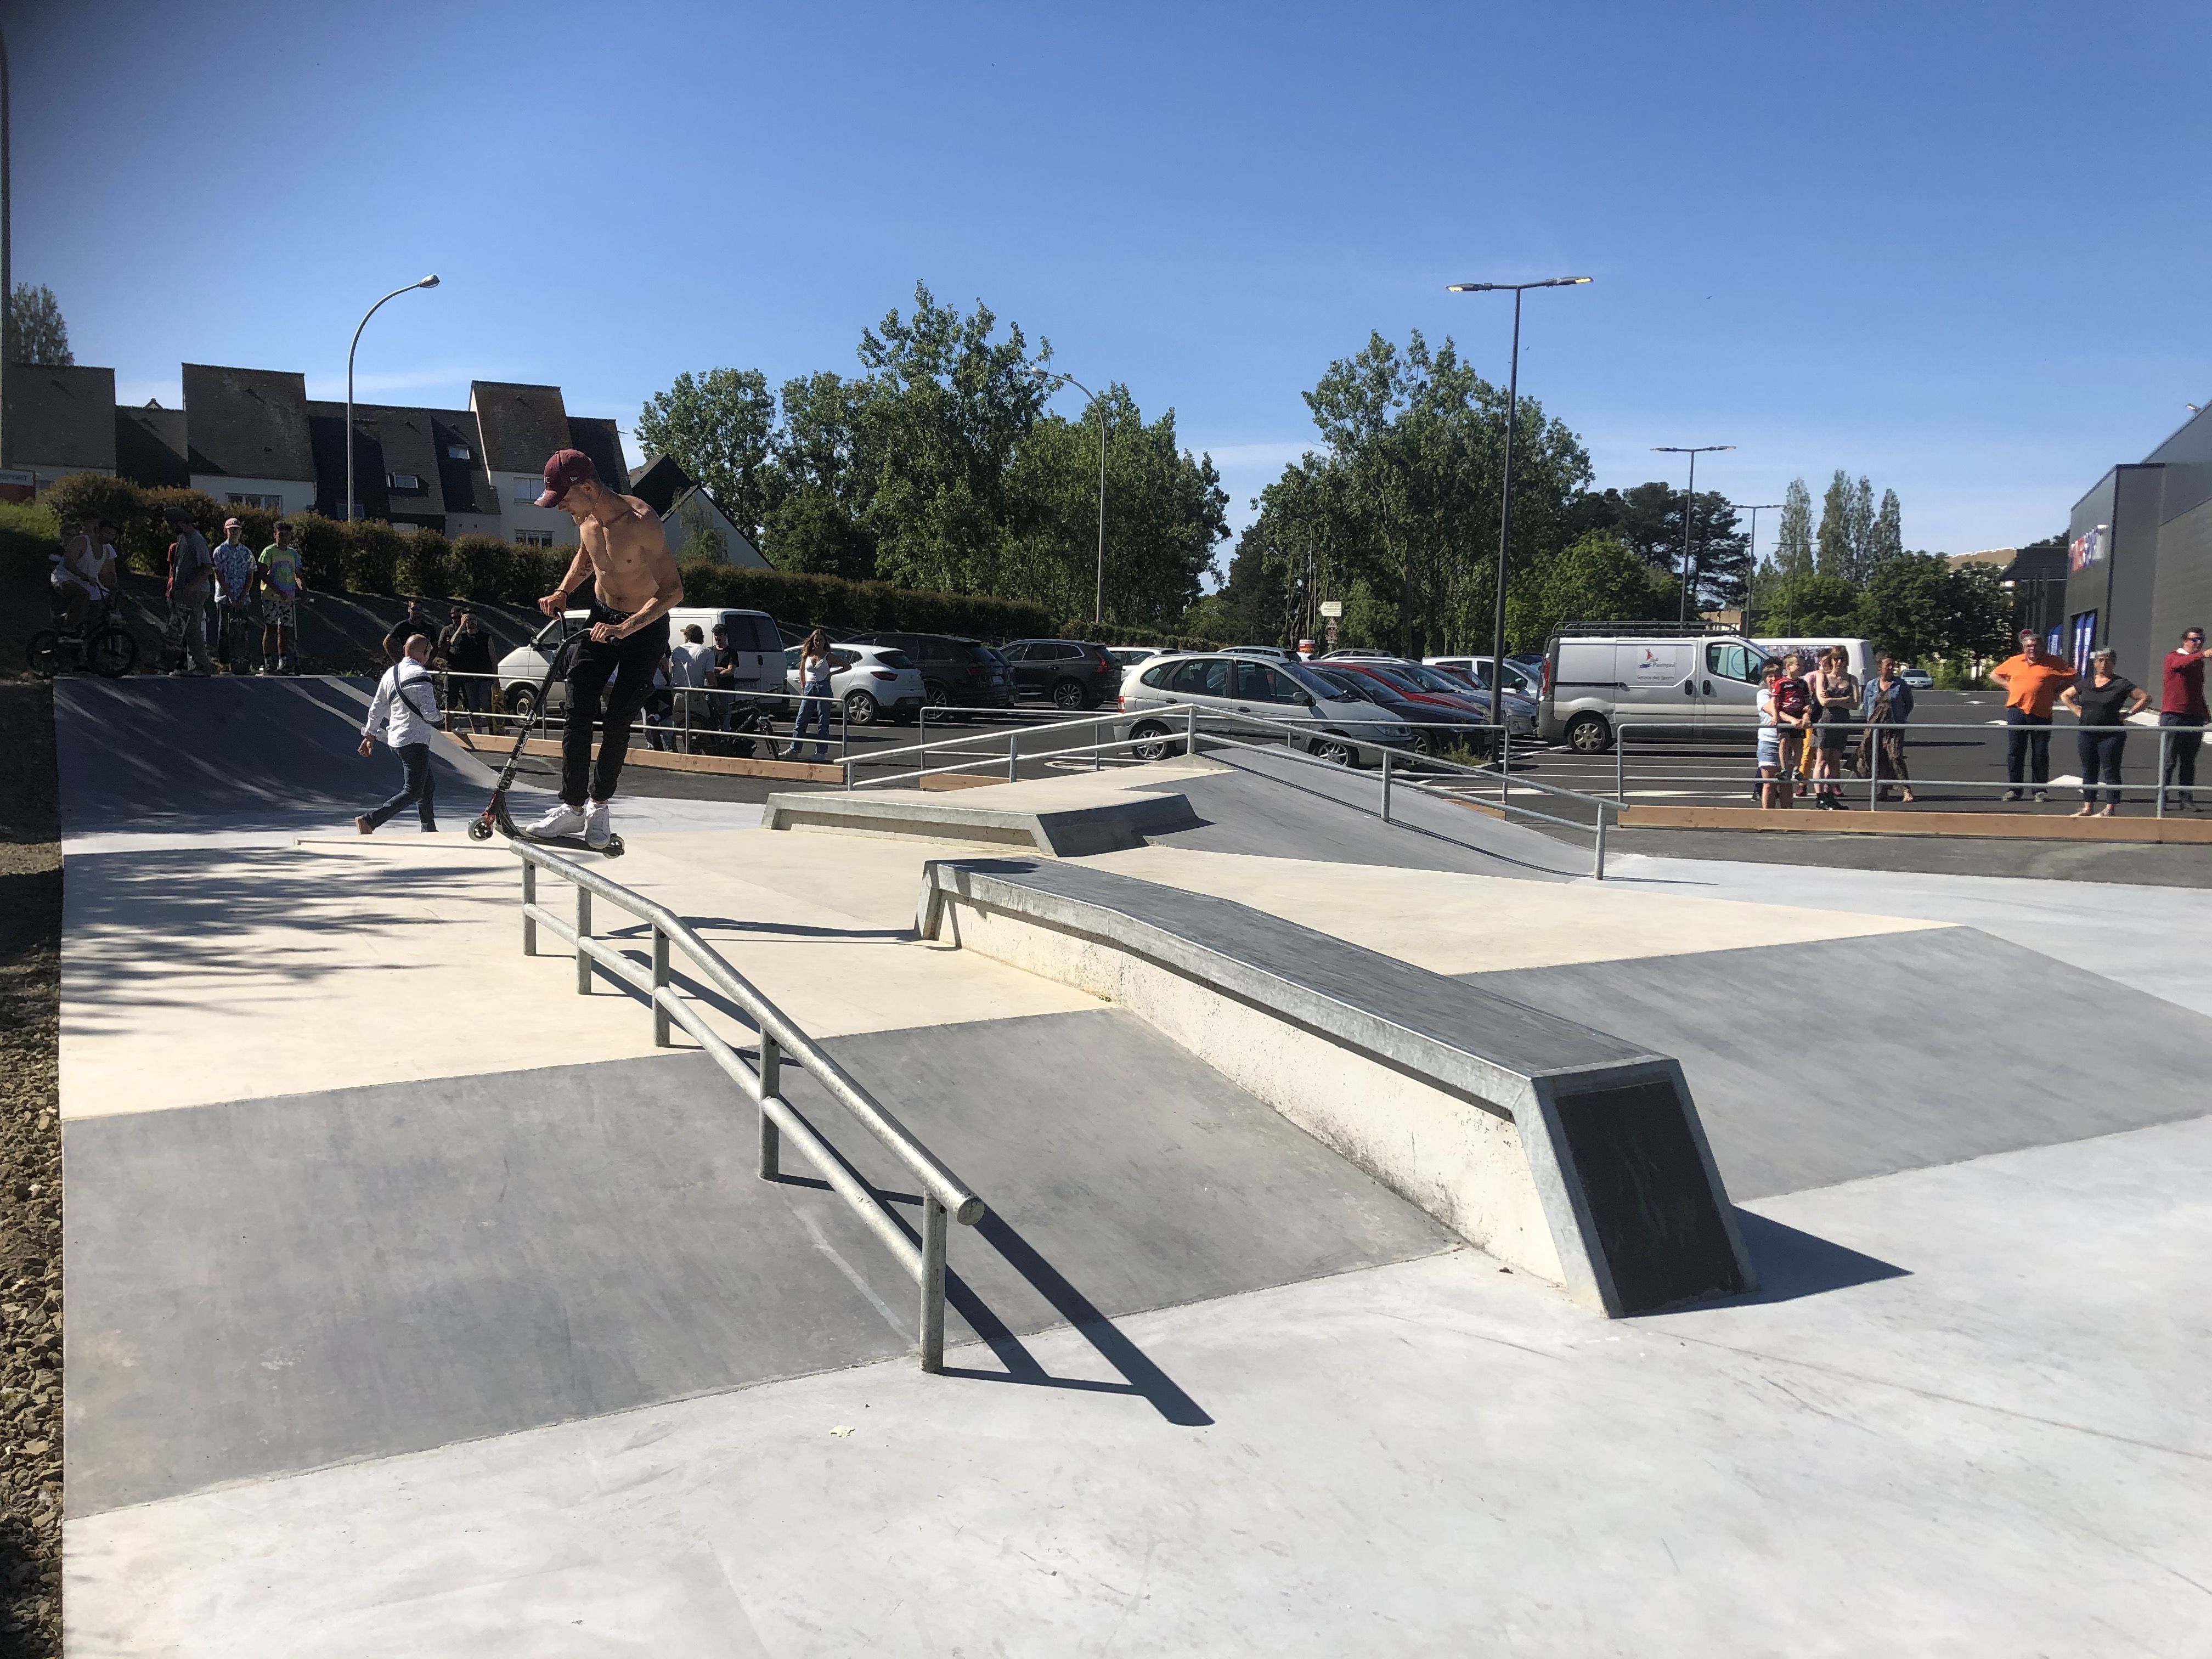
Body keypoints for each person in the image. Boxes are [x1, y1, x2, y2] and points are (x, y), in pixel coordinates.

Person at [526, 448, 682, 849]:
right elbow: (587, 556)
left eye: (564, 499)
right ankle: (573, 807)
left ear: (588, 487)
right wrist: (564, 591)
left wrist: (627, 627)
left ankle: (599, 806)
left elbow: (672, 591)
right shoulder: (585, 517)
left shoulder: (643, 523)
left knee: (617, 721)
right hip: (600, 618)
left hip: (643, 627)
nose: (561, 508)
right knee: (577, 710)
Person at [354, 632, 442, 834]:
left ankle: (429, 829)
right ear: (424, 653)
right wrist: (441, 719)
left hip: (396, 739)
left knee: (427, 786)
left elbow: (377, 707)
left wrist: (370, 736)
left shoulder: (390, 674)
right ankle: (371, 820)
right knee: (413, 791)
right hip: (415, 741)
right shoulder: (422, 676)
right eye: (429, 652)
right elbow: (430, 714)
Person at [1989, 629, 2077, 802]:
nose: (2032, 649)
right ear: (2024, 648)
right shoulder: (2014, 661)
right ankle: (2014, 790)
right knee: (2015, 752)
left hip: (2041, 712)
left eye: (2036, 646)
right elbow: (1994, 675)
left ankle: (2039, 790)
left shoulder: (2054, 662)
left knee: (2040, 753)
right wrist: (2011, 687)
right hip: (2017, 711)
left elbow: (2075, 677)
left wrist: (2058, 691)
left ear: (2042, 647)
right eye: (2029, 646)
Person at [2061, 648, 2148, 817]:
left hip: (2111, 734)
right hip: (2087, 733)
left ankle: (2110, 808)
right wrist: (2078, 712)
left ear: (2114, 663)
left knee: (2111, 770)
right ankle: (2088, 807)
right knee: (2088, 770)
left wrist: (2128, 714)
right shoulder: (2086, 683)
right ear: (2094, 663)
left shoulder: (2121, 684)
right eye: (2100, 660)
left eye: (2108, 660)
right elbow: (2066, 696)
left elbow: (2145, 698)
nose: (2104, 663)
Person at [2158, 625, 2208, 811]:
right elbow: (2179, 665)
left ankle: (2186, 797)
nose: (2199, 643)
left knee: (2189, 761)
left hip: (2194, 717)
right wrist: (2202, 654)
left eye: (2201, 639)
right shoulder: (2174, 656)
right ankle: (2162, 796)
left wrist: (2204, 711)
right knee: (2169, 760)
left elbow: (2196, 690)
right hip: (2173, 715)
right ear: (2184, 641)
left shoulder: (2197, 663)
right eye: (2195, 639)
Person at [1807, 646, 1860, 809]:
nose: (1839, 662)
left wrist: (1835, 700)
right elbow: (1823, 702)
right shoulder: (1823, 676)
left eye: (1842, 659)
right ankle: (1820, 797)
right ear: (1831, 660)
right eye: (1836, 659)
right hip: (1824, 722)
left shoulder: (1852, 679)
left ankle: (1830, 795)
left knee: (1834, 761)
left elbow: (1856, 704)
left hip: (1842, 722)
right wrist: (1844, 700)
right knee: (1821, 760)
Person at [1859, 656, 1917, 804]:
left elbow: (1909, 704)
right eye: (1888, 665)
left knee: (1895, 757)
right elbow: (1867, 706)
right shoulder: (1872, 685)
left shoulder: (1900, 685)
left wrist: (1900, 717)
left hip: (1894, 727)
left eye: (1893, 665)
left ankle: (1906, 789)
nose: (1892, 668)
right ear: (1880, 668)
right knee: (1878, 758)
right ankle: (1883, 790)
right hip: (1875, 728)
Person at [164, 509, 214, 676]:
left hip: (195, 592)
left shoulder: (196, 540)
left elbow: (208, 567)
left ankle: (202, 666)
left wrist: (190, 587)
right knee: (179, 630)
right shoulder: (182, 539)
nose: (171, 529)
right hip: (183, 591)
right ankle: (184, 664)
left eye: (173, 525)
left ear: (181, 524)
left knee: (192, 629)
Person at [258, 520, 309, 673]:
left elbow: (298, 575)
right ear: (275, 535)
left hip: (288, 599)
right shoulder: (269, 552)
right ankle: (268, 661)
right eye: (281, 535)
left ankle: (283, 660)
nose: (284, 538)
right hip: (271, 597)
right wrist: (277, 590)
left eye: (287, 535)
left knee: (285, 630)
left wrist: (304, 592)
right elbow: (262, 573)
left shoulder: (293, 554)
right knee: (271, 628)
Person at [210, 517, 261, 673]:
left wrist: (242, 596)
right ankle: (225, 662)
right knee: (224, 630)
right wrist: (231, 597)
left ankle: (242, 662)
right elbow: (219, 575)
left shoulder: (246, 552)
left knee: (242, 630)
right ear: (226, 531)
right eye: (232, 529)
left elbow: (250, 575)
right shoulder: (219, 551)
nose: (234, 532)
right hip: (225, 598)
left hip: (242, 598)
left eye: (237, 529)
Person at [437, 607, 496, 732]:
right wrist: (463, 625)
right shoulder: (460, 635)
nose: (472, 622)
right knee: (472, 707)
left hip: (485, 677)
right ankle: (477, 733)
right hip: (468, 678)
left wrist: (496, 678)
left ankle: (493, 731)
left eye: (474, 619)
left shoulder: (486, 637)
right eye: (469, 620)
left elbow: (493, 658)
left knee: (487, 705)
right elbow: (452, 643)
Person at [785, 628, 836, 761]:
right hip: (809, 687)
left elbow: (847, 666)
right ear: (812, 641)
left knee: (823, 722)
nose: (818, 642)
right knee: (801, 719)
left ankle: (820, 752)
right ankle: (794, 748)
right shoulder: (807, 654)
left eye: (820, 640)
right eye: (816, 640)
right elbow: (802, 670)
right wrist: (803, 685)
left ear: (825, 641)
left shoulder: (828, 656)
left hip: (823, 687)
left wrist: (830, 674)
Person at [52, 519, 109, 633]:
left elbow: (104, 575)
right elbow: (67, 564)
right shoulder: (80, 543)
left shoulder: (106, 551)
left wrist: (114, 589)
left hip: (82, 585)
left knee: (96, 606)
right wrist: (85, 576)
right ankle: (66, 630)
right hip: (64, 581)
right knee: (82, 596)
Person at [1771, 652, 1813, 803]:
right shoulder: (1781, 683)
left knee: (1799, 744)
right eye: (1798, 665)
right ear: (1788, 667)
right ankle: (1784, 769)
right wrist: (1776, 716)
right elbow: (1775, 703)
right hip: (1786, 714)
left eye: (1802, 665)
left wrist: (1807, 713)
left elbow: (1807, 701)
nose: (1801, 668)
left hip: (1798, 714)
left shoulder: (1803, 684)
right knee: (1784, 740)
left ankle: (1796, 768)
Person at [671, 623, 718, 748]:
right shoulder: (706, 652)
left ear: (687, 635)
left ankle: (688, 749)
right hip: (696, 694)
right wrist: (715, 693)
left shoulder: (677, 651)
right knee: (704, 726)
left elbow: (673, 672)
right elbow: (710, 676)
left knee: (682, 726)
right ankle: (702, 752)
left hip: (679, 693)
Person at [1754, 658, 1786, 808]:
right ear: (1765, 678)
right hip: (1769, 741)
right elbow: (1774, 711)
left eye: (1777, 675)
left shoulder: (1788, 692)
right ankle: (1768, 819)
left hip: (1787, 740)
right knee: (1769, 784)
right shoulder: (1763, 693)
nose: (1774, 679)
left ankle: (1788, 820)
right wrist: (1793, 718)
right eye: (1770, 676)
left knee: (1786, 784)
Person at [383, 597, 439, 664]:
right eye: (414, 609)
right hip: (407, 664)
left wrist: (429, 661)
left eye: (419, 609)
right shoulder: (402, 626)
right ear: (409, 610)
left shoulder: (429, 628)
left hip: (424, 665)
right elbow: (386, 642)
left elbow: (436, 647)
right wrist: (397, 661)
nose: (417, 611)